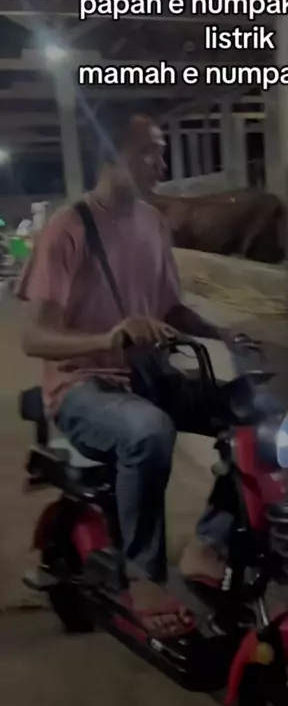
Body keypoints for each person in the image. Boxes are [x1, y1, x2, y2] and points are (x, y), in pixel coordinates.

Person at [16, 108, 240, 638]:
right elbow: (33, 337)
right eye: (149, 152)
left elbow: (170, 308)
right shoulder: (67, 230)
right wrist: (107, 337)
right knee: (147, 430)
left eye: (161, 151)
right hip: (82, 388)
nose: (161, 163)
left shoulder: (154, 223)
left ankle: (210, 542)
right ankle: (143, 575)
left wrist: (224, 334)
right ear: (110, 156)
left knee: (257, 413)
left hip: (147, 375)